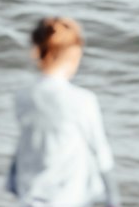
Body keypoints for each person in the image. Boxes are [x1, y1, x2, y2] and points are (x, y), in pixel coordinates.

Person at [7, 16, 120, 207]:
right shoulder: (83, 100)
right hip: (70, 195)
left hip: (31, 192)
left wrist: (11, 181)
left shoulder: (23, 96)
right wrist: (113, 198)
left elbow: (23, 145)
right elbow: (100, 151)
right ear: (74, 54)